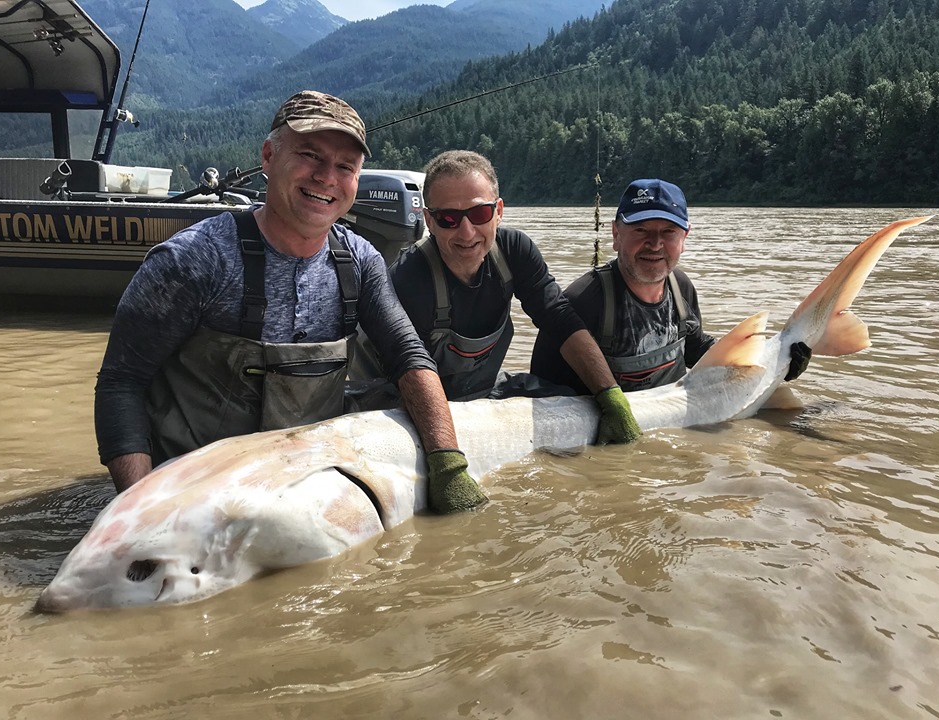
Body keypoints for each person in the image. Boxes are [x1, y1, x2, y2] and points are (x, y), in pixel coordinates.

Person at [94, 90, 484, 514]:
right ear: (268, 157)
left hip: (299, 487)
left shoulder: (361, 261)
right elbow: (121, 383)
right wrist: (136, 509)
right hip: (190, 493)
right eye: (310, 155)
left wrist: (447, 464)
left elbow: (409, 359)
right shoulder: (193, 259)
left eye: (344, 166)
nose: (326, 177)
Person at [373, 149, 640, 446]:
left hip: (484, 391)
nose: (467, 231)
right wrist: (444, 454)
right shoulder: (408, 276)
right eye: (448, 217)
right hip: (407, 402)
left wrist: (610, 395)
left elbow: (559, 319)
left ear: (498, 211)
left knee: (573, 401)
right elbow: (407, 365)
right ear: (429, 221)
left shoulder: (515, 251)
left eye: (479, 213)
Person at [530, 178, 810, 393]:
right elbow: (542, 396)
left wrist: (774, 365)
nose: (655, 243)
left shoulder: (681, 289)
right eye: (641, 230)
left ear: (684, 237)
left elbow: (696, 351)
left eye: (668, 232)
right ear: (616, 234)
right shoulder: (582, 302)